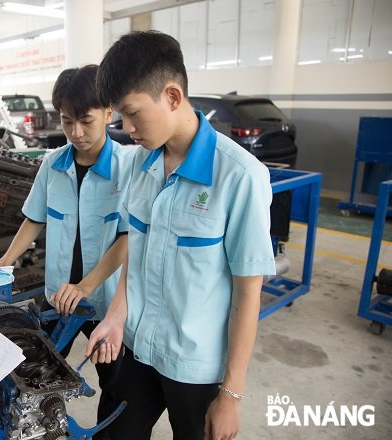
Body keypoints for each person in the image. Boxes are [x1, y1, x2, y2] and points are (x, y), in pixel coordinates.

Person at [85, 31, 276, 440]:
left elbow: (248, 294)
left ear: (172, 96)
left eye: (133, 114)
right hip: (136, 346)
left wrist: (231, 395)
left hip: (195, 367)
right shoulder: (142, 162)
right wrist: (117, 315)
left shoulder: (239, 177)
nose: (127, 128)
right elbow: (137, 246)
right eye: (120, 116)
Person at [0, 64, 134, 437]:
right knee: (39, 373)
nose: (76, 133)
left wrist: (87, 286)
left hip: (105, 303)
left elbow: (127, 239)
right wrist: (4, 262)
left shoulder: (127, 167)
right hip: (56, 297)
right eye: (67, 122)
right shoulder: (53, 164)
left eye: (86, 121)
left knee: (117, 382)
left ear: (109, 113)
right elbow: (33, 219)